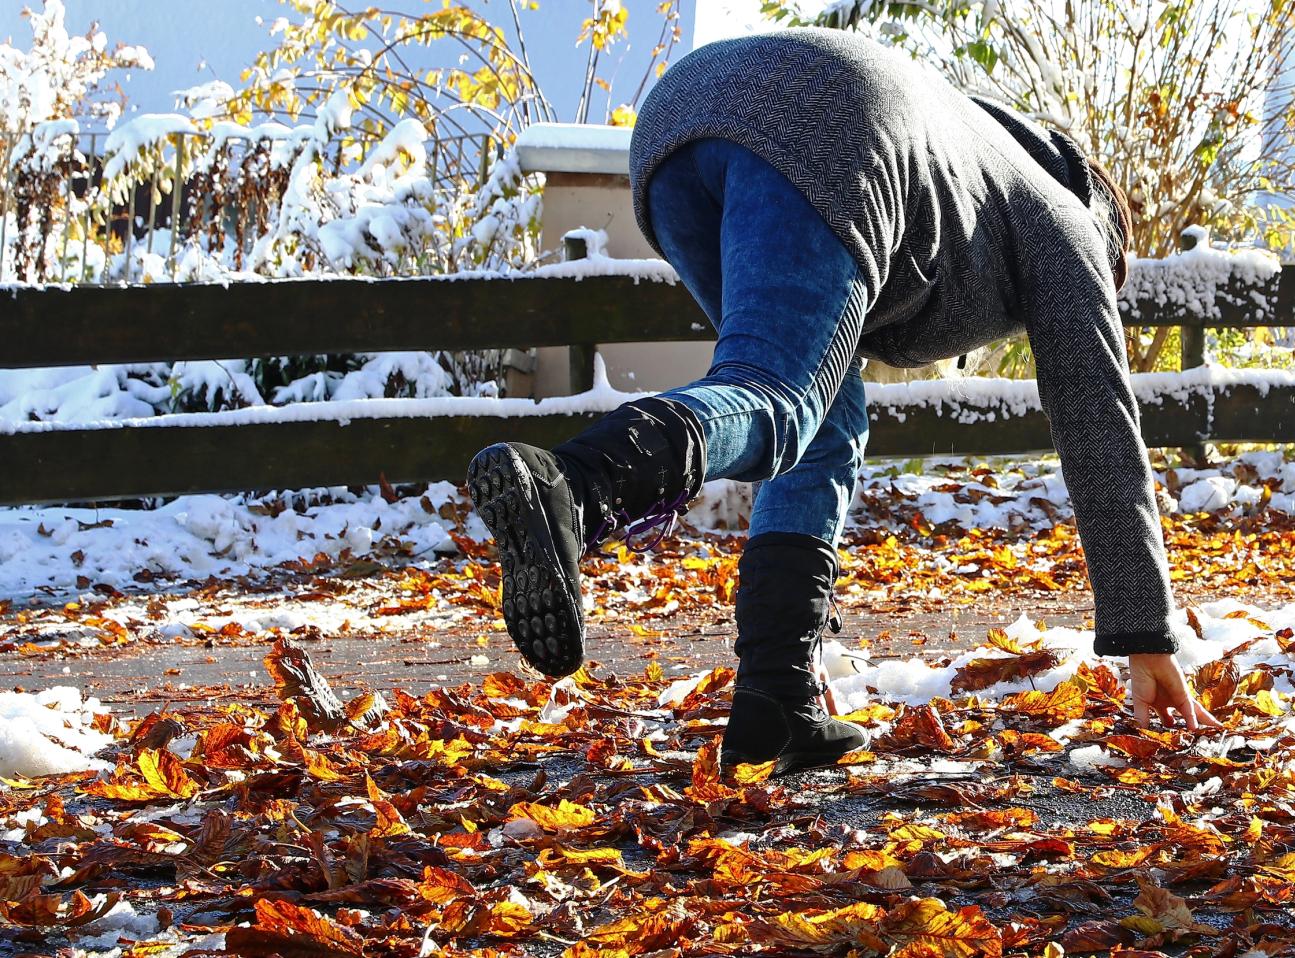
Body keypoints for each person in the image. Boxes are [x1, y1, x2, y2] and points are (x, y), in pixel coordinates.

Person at [467, 27, 1222, 776]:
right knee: (778, 399)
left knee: (822, 421)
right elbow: (1100, 426)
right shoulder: (1069, 222)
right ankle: (574, 485)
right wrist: (1145, 633)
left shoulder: (980, 150)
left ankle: (776, 697)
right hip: (830, 125)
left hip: (679, 120)